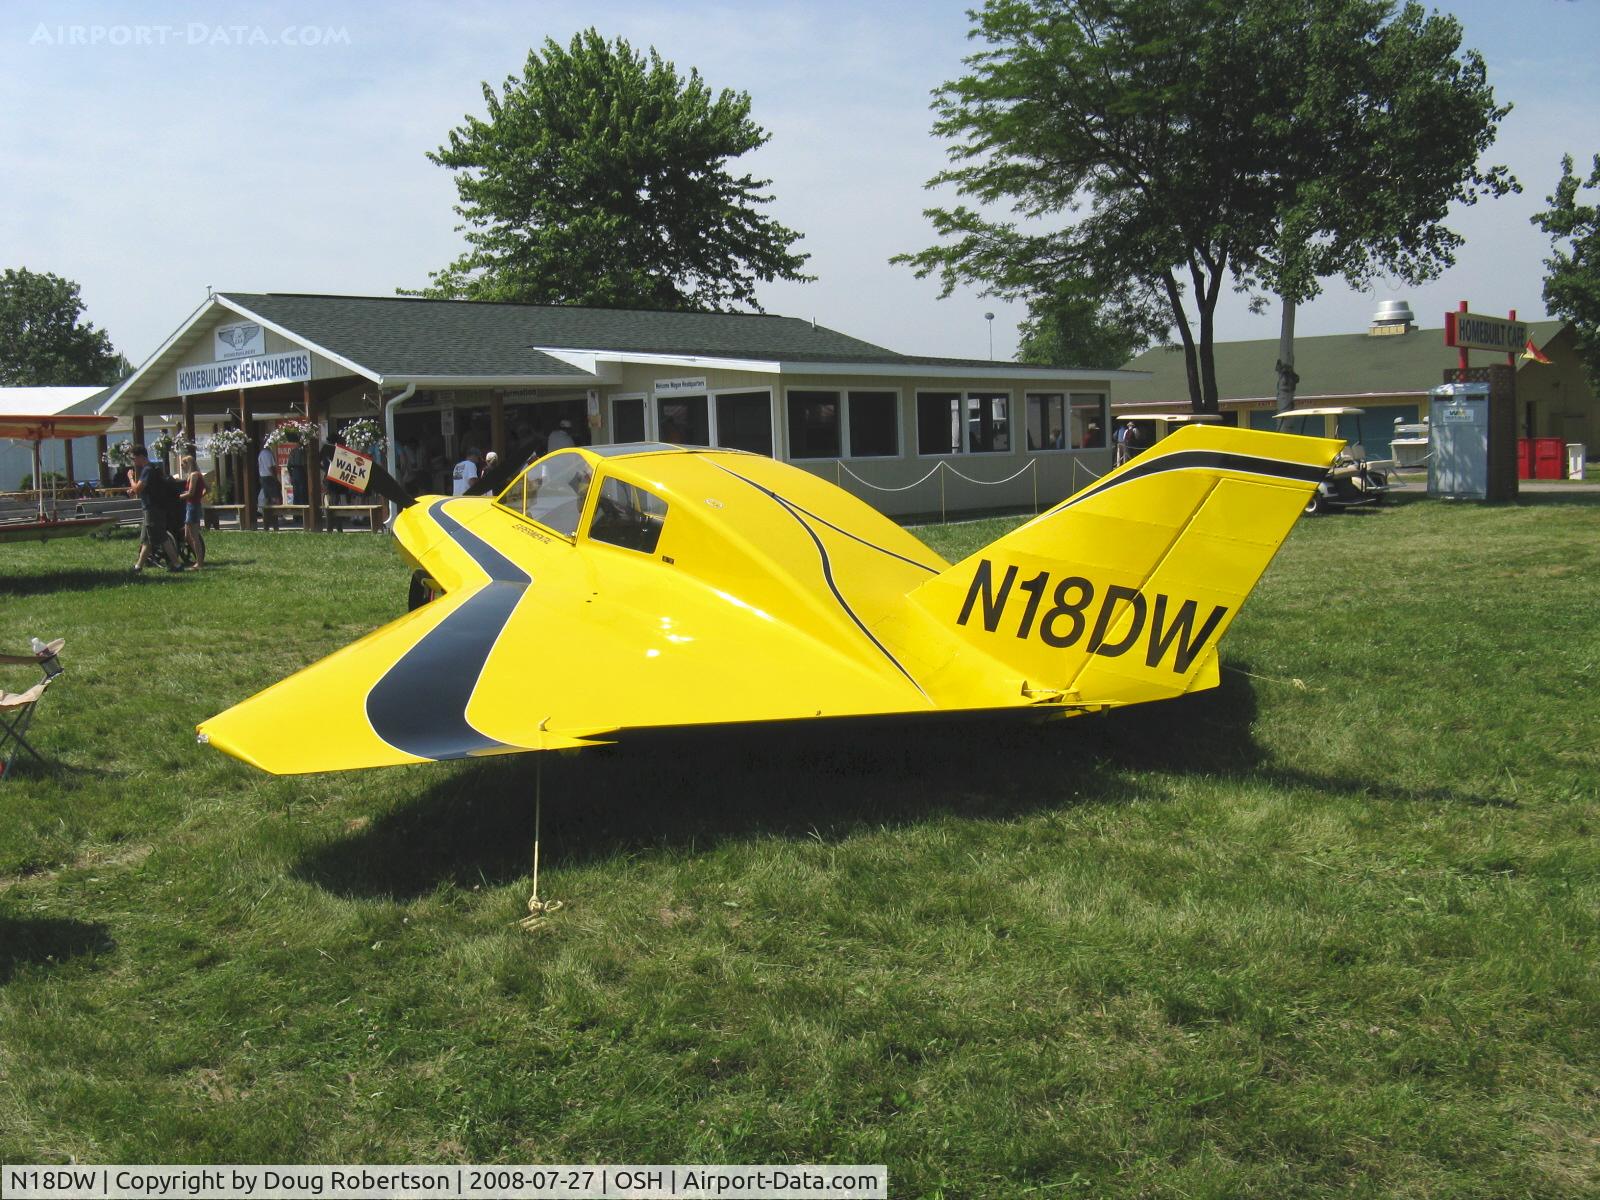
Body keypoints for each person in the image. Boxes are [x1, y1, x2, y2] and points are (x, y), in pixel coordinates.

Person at [127, 445, 183, 573]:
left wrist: (130, 478)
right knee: (147, 539)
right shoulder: (154, 469)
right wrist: (134, 490)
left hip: (153, 509)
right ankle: (138, 567)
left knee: (161, 537)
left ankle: (177, 564)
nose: (133, 461)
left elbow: (137, 488)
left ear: (141, 457)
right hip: (153, 507)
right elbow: (143, 489)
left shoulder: (147, 470)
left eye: (133, 458)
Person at [177, 453, 207, 570]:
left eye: (182, 465)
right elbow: (207, 489)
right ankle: (198, 559)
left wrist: (178, 497)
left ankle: (199, 563)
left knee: (194, 537)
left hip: (192, 506)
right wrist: (200, 496)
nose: (182, 467)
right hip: (193, 505)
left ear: (187, 464)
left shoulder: (194, 475)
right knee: (187, 535)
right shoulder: (199, 474)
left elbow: (191, 493)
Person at [257, 441, 281, 508]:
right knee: (276, 495)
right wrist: (276, 478)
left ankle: (268, 513)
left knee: (267, 496)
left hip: (262, 476)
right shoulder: (268, 454)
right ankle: (278, 512)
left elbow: (259, 465)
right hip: (269, 477)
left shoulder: (261, 454)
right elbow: (270, 467)